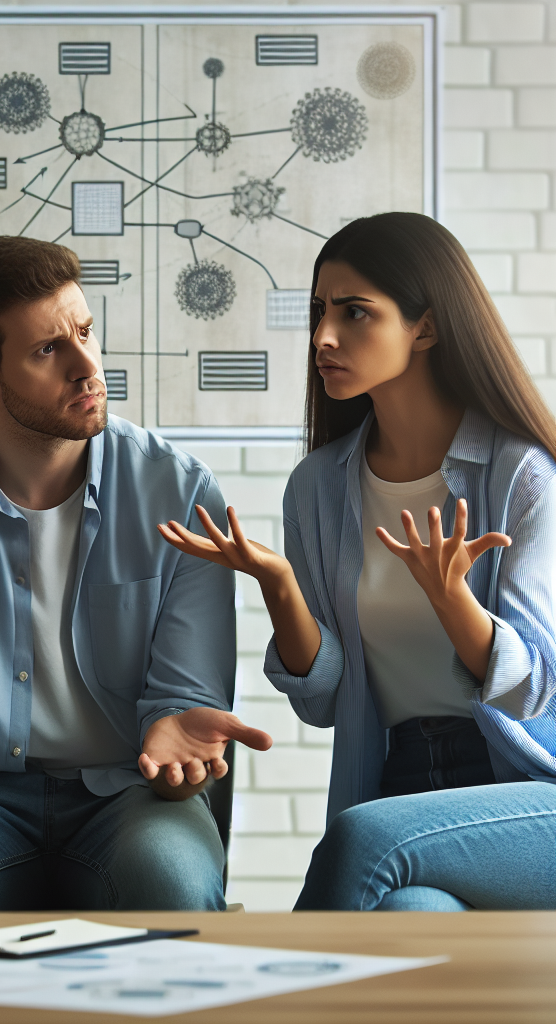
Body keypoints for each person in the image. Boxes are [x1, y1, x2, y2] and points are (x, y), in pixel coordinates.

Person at [0, 235, 272, 912]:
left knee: (172, 877)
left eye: (86, 332)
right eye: (47, 350)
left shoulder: (178, 494)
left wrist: (178, 756)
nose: (88, 365)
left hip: (131, 794)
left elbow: (181, 723)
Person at [160, 212, 556, 911]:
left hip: (528, 793)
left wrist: (451, 600)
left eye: (354, 313)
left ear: (425, 328)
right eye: (318, 312)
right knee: (406, 916)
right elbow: (320, 704)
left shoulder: (520, 476)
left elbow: (534, 690)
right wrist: (280, 587)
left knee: (360, 842)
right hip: (399, 784)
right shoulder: (318, 488)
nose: (323, 337)